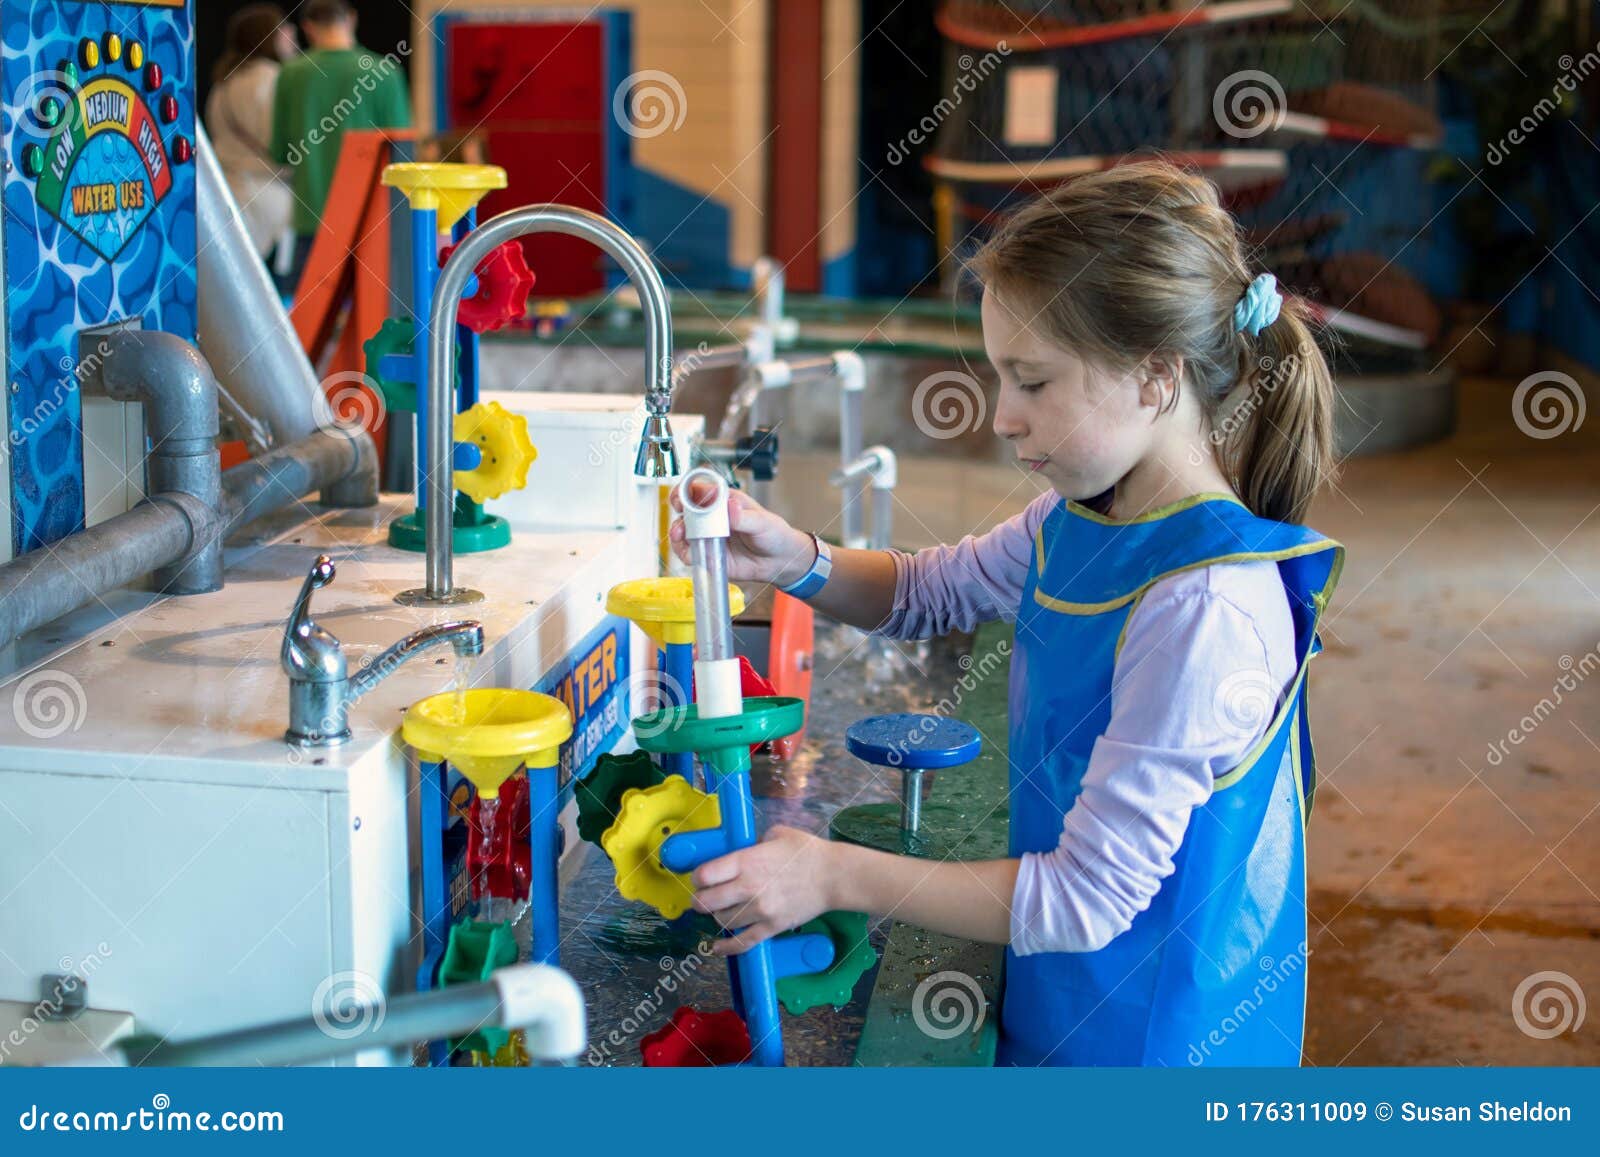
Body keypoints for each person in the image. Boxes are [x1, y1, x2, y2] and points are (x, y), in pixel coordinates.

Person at [669, 160, 1344, 1067]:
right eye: (998, 377)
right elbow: (929, 592)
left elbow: (1084, 899)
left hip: (1156, 1052)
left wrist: (831, 870)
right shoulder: (1082, 518)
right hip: (1068, 1006)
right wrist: (796, 557)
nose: (1003, 417)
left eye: (1033, 381)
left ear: (1154, 378)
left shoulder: (1203, 607)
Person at [271, 0, 410, 290]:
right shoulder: (384, 73)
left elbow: (280, 151)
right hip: (371, 220)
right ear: (352, 19)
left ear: (308, 27)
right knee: (376, 321)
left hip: (312, 218)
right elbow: (403, 153)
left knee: (302, 326)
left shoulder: (291, 74)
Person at [204, 5, 297, 287]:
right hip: (271, 200)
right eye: (284, 29)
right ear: (270, 36)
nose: (291, 34)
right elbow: (285, 144)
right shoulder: (277, 80)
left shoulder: (221, 84)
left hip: (230, 196)